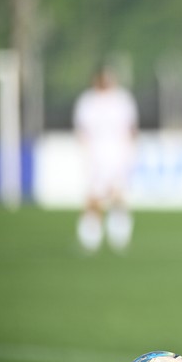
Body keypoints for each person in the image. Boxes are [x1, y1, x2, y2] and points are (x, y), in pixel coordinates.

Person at [73, 66, 138, 253]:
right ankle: (89, 242)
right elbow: (82, 130)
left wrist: (129, 154)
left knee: (118, 197)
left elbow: (131, 128)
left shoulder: (122, 99)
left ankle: (120, 240)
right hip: (96, 156)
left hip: (118, 155)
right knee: (93, 199)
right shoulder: (87, 101)